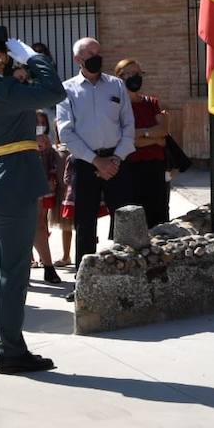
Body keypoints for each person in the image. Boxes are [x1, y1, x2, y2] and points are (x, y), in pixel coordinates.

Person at [0, 23, 67, 374]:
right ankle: (13, 351)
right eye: (5, 52)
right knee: (14, 272)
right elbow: (54, 92)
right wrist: (34, 58)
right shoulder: (4, 89)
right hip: (14, 183)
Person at [56, 36, 136, 268]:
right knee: (84, 223)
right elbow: (66, 132)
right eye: (90, 54)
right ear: (77, 59)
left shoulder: (116, 85)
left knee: (123, 220)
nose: (97, 58)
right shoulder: (67, 89)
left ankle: (126, 272)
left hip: (116, 162)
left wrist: (115, 159)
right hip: (85, 162)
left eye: (98, 52)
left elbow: (128, 125)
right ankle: (84, 279)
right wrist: (96, 161)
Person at [115, 58, 171, 228]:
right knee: (136, 218)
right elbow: (128, 140)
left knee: (159, 214)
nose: (135, 77)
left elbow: (163, 134)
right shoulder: (117, 105)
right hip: (131, 168)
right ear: (120, 77)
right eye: (130, 73)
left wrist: (142, 134)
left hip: (156, 167)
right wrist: (152, 136)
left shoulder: (151, 102)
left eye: (138, 73)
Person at [33, 110, 62, 284]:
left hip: (42, 186)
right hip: (23, 184)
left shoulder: (46, 141)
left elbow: (51, 160)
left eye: (42, 123)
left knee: (41, 224)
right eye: (37, 123)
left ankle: (48, 266)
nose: (40, 126)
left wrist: (52, 177)